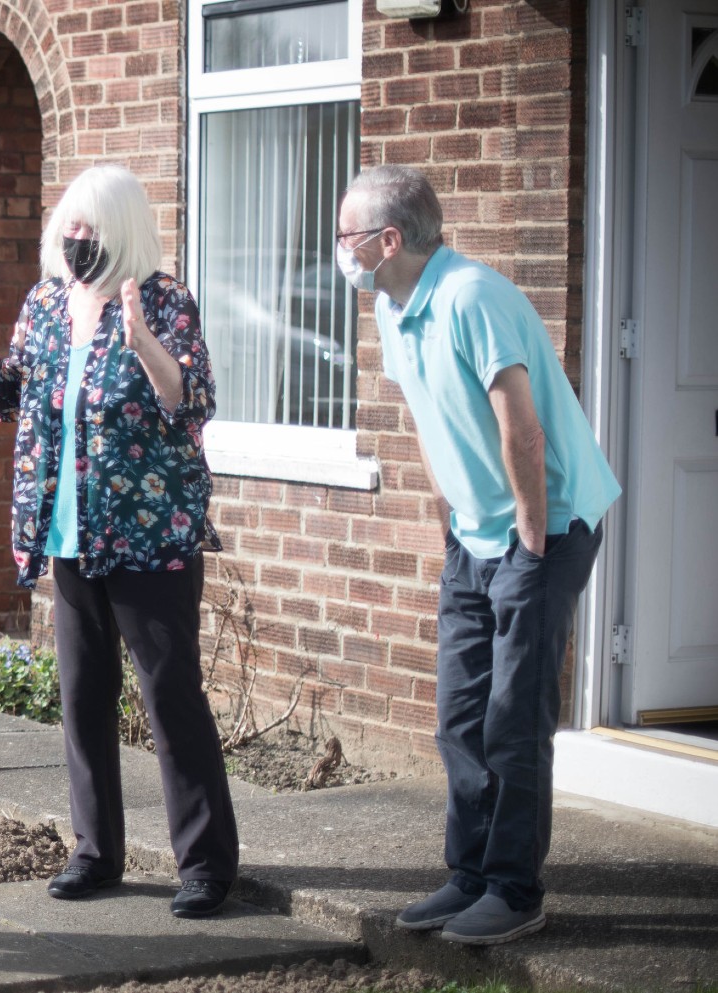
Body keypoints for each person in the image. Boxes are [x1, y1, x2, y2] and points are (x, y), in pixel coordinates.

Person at [0, 164, 240, 919]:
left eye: (91, 228)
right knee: (81, 697)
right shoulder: (43, 303)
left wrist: (138, 340)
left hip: (147, 535)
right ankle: (95, 853)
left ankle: (204, 865)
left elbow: (189, 402)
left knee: (170, 697)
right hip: (67, 533)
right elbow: (12, 400)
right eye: (69, 224)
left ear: (122, 231)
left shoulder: (163, 301)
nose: (76, 238)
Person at [336, 165, 618, 946]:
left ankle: (513, 887)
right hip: (475, 532)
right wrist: (453, 522)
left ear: (387, 240)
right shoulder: (395, 308)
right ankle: (466, 874)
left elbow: (519, 425)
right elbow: (429, 422)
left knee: (512, 715)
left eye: (344, 234)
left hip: (549, 523)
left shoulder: (469, 296)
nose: (339, 249)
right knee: (460, 714)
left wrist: (528, 535)